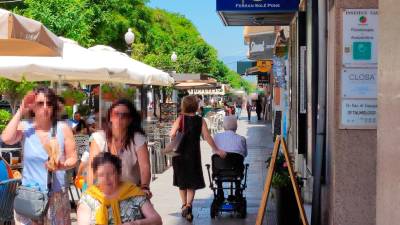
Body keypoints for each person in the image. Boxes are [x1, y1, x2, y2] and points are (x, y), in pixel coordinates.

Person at [1, 87, 77, 225]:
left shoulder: (63, 128)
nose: (46, 107)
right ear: (33, 107)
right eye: (41, 103)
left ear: (54, 107)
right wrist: (20, 110)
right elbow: (6, 138)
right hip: (30, 196)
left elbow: (73, 158)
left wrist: (62, 166)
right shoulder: (25, 127)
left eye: (49, 103)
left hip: (56, 196)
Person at [169, 95, 226, 222]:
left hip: (179, 155)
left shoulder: (180, 119)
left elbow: (172, 134)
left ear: (184, 106)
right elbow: (207, 137)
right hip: (193, 155)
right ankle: (189, 205)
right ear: (195, 106)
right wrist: (216, 149)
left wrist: (177, 136)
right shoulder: (201, 120)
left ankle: (184, 205)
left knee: (182, 181)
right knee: (192, 182)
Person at [88, 99, 152, 198]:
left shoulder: (137, 139)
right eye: (116, 114)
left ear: (130, 120)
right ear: (110, 117)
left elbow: (145, 167)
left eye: (124, 115)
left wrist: (145, 187)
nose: (119, 118)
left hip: (130, 192)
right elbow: (92, 168)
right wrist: (91, 191)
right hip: (104, 193)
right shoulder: (99, 138)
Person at [77, 152, 162, 225]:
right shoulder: (88, 198)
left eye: (110, 174)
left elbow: (157, 220)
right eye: (101, 175)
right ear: (96, 176)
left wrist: (136, 223)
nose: (106, 179)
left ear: (119, 173)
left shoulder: (133, 192)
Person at [213, 115, 247, 199]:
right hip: (236, 171)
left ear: (224, 126)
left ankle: (220, 191)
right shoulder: (241, 139)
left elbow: (214, 152)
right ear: (236, 126)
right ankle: (237, 190)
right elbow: (245, 154)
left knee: (218, 162)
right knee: (239, 164)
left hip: (219, 171)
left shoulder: (216, 137)